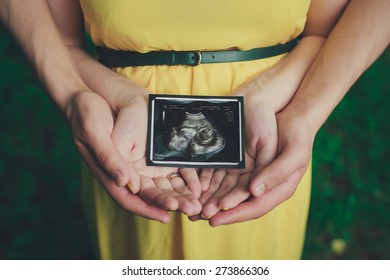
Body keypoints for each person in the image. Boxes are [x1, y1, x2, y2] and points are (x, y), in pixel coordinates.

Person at [1, 0, 388, 259]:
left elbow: (322, 32)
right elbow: (64, 42)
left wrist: (303, 114)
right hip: (126, 139)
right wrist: (73, 95)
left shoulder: (277, 124)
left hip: (269, 129)